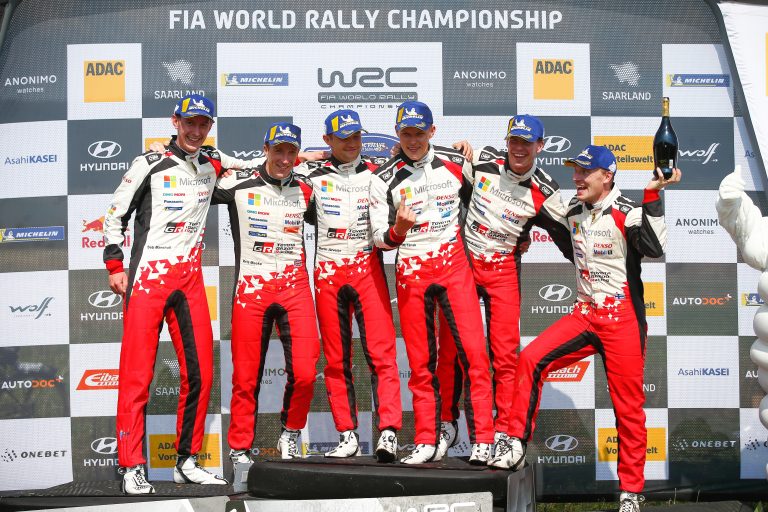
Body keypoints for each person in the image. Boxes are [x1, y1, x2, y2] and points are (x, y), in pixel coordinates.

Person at [490, 145, 681, 512]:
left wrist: (653, 195)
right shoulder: (572, 210)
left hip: (622, 321)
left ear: (607, 176)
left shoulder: (628, 211)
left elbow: (655, 247)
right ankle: (513, 442)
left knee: (628, 409)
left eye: (584, 172)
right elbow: (538, 212)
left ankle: (631, 492)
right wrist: (520, 235)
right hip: (584, 314)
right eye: (575, 171)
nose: (576, 178)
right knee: (530, 358)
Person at [104, 94, 228, 494]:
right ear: (176, 121)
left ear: (209, 127)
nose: (196, 130)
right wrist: (115, 265)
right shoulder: (149, 162)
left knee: (201, 374)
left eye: (203, 124)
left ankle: (186, 461)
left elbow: (262, 167)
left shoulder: (212, 163)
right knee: (137, 377)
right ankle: (131, 466)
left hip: (188, 282)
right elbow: (115, 214)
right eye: (189, 122)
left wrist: (309, 157)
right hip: (148, 280)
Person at [435, 115, 573, 457]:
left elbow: (571, 241)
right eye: (514, 141)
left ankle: (504, 431)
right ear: (506, 141)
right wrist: (449, 150)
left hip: (503, 272)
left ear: (540, 146)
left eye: (527, 143)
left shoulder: (547, 191)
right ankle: (447, 423)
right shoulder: (482, 160)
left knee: (505, 356)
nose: (519, 149)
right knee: (451, 350)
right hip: (465, 267)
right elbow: (432, 169)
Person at [369, 100, 495, 465]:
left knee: (475, 356)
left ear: (432, 132)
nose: (413, 141)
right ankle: (425, 438)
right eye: (406, 134)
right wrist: (398, 230)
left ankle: (484, 438)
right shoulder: (383, 178)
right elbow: (378, 238)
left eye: (419, 133)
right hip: (412, 273)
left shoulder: (457, 162)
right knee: (421, 363)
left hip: (454, 269)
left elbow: (485, 205)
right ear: (397, 134)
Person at [212, 123, 321, 463]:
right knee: (245, 379)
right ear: (265, 150)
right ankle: (240, 448)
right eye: (278, 151)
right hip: (251, 290)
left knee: (306, 373)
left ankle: (291, 432)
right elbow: (197, 172)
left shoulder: (307, 187)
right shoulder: (237, 183)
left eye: (291, 152)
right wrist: (162, 149)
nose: (284, 159)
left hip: (295, 288)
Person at [300, 109, 402, 461]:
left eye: (356, 136)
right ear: (328, 140)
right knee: (336, 360)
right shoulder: (312, 175)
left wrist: (462, 147)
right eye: (343, 138)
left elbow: (421, 162)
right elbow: (271, 167)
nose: (351, 143)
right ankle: (346, 434)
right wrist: (304, 156)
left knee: (382, 354)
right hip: (328, 273)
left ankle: (388, 432)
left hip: (367, 270)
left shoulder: (379, 172)